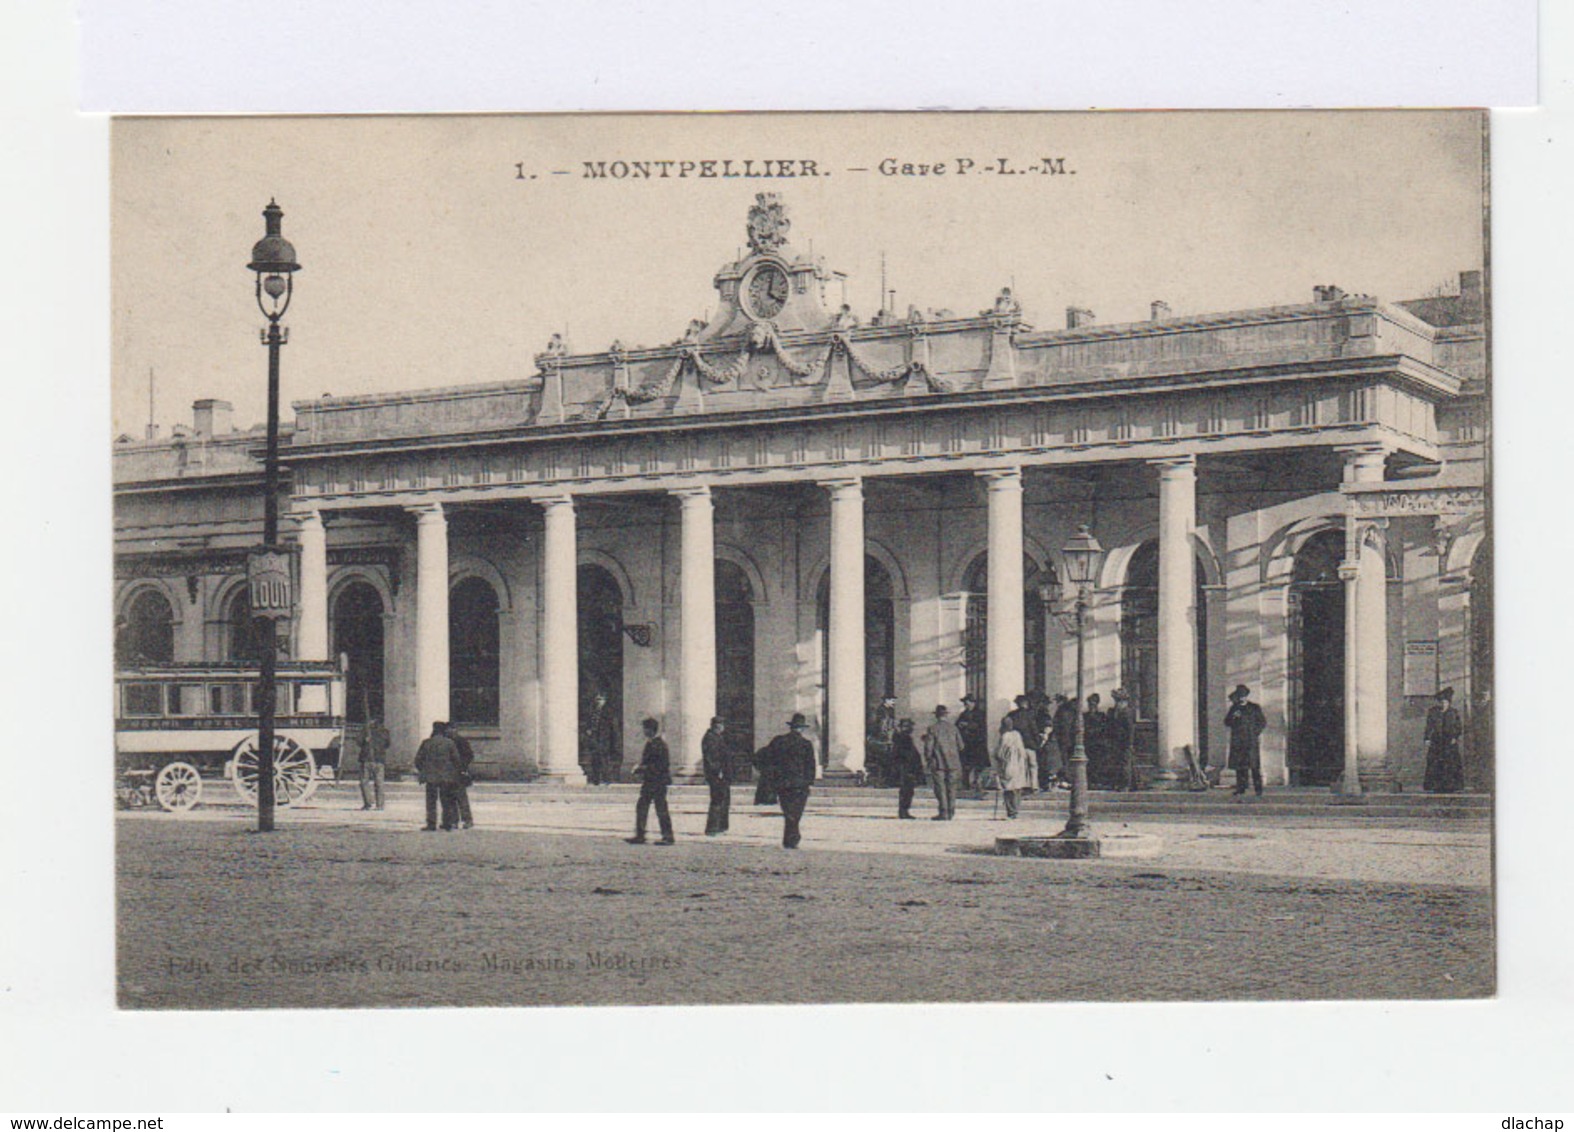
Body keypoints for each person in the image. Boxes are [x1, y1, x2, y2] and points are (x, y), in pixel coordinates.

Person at [756, 713, 818, 848]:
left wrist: (768, 774)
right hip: (800, 784)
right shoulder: (806, 744)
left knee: (788, 811)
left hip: (783, 782)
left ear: (791, 727)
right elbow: (810, 765)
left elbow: (762, 756)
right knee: (797, 812)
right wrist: (809, 781)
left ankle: (790, 838)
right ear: (802, 728)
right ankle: (792, 838)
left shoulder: (779, 741)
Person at [626, 717, 675, 844]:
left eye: (645, 729)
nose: (644, 731)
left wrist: (642, 768)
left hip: (658, 781)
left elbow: (661, 765)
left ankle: (668, 837)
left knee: (660, 809)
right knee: (643, 807)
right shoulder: (651, 743)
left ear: (650, 730)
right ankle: (641, 834)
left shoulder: (659, 745)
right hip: (650, 781)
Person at [413, 721, 462, 831]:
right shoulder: (449, 743)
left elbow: (418, 760)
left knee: (431, 802)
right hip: (446, 776)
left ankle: (431, 823)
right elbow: (456, 760)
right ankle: (447, 823)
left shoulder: (426, 743)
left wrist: (423, 770)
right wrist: (454, 772)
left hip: (431, 777)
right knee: (446, 801)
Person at [1224, 684, 1268, 800]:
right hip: (1238, 741)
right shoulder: (1234, 708)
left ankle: (1258, 789)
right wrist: (1233, 717)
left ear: (1246, 696)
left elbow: (1262, 722)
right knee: (1240, 766)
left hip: (1251, 741)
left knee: (1254, 766)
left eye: (1243, 696)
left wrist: (1254, 733)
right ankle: (1241, 787)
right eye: (1239, 696)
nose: (1241, 698)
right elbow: (1227, 722)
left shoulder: (1254, 707)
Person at [921, 704, 963, 820]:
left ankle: (943, 812)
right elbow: (961, 746)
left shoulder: (933, 728)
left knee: (940, 788)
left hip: (938, 762)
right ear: (946, 715)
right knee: (952, 787)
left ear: (936, 716)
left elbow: (928, 748)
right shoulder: (954, 728)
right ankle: (951, 811)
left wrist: (928, 759)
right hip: (953, 762)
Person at [1423, 686, 1464, 794]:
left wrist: (1455, 737)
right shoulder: (1433, 712)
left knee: (1450, 763)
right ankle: (1435, 786)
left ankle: (1451, 786)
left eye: (1445, 702)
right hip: (1436, 741)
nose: (1443, 704)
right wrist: (1427, 738)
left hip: (1449, 742)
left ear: (1449, 702)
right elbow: (1429, 726)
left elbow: (1458, 727)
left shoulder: (1453, 712)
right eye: (1441, 702)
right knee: (1436, 763)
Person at [991, 716, 1032, 819]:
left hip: (1009, 764)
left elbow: (1000, 753)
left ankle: (1011, 811)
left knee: (1008, 788)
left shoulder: (1005, 736)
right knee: (1017, 788)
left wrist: (996, 757)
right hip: (1019, 764)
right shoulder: (1017, 735)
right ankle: (1015, 810)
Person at [702, 716, 733, 835]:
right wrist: (718, 771)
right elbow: (712, 757)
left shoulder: (717, 737)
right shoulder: (710, 739)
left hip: (722, 775)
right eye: (721, 725)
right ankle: (713, 828)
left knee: (723, 800)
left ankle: (721, 826)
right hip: (717, 775)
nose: (722, 727)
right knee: (717, 801)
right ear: (716, 726)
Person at [444, 722, 476, 829]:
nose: (450, 731)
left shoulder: (461, 741)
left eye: (452, 728)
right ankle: (454, 820)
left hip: (458, 773)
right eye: (448, 729)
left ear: (455, 729)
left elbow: (469, 755)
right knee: (451, 798)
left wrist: (462, 766)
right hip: (449, 773)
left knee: (461, 798)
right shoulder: (446, 741)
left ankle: (467, 820)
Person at [582, 691, 618, 785]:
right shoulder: (593, 712)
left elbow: (613, 728)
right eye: (597, 699)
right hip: (594, 739)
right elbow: (589, 724)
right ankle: (596, 779)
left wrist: (613, 741)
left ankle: (606, 779)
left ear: (604, 700)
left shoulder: (608, 712)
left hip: (604, 740)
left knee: (604, 760)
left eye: (600, 699)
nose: (598, 702)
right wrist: (588, 730)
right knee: (595, 760)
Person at [890, 718, 923, 819]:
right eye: (908, 726)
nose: (911, 728)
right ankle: (904, 811)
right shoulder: (904, 738)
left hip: (905, 768)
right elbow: (908, 754)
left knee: (907, 791)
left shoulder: (901, 738)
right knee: (907, 791)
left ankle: (904, 811)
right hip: (906, 768)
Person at [1107, 688, 1138, 792]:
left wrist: (1130, 743)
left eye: (1119, 701)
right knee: (1122, 763)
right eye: (1116, 701)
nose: (1117, 704)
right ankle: (1131, 784)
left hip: (1125, 742)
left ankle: (1126, 785)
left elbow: (1130, 730)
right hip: (1117, 741)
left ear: (1125, 701)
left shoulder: (1127, 713)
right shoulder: (1115, 712)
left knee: (1125, 763)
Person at [956, 694, 987, 790]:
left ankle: (977, 783)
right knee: (966, 765)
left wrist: (967, 725)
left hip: (977, 743)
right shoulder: (963, 714)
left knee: (978, 765)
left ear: (973, 703)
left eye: (967, 702)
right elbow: (956, 725)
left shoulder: (980, 713)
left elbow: (980, 726)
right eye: (965, 703)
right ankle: (966, 783)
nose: (965, 704)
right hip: (966, 743)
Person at [359, 716, 390, 810]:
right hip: (379, 759)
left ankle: (368, 803)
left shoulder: (366, 731)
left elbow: (358, 742)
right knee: (379, 783)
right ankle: (380, 804)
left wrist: (365, 740)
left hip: (367, 759)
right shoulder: (384, 732)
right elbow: (387, 744)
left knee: (364, 782)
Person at [867, 695, 898, 787]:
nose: (894, 702)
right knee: (882, 761)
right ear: (886, 700)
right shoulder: (882, 711)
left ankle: (884, 781)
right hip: (883, 740)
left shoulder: (889, 710)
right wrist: (887, 736)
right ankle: (881, 782)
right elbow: (883, 725)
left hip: (886, 738)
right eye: (892, 700)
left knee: (886, 761)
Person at [1052, 693, 1078, 788]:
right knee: (1070, 760)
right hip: (1071, 739)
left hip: (1063, 739)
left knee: (1065, 760)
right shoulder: (1072, 711)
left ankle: (1067, 779)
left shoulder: (1061, 711)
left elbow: (1056, 725)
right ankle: (1069, 779)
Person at [1083, 693, 1107, 787]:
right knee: (1088, 763)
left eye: (1093, 704)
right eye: (1090, 704)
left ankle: (1097, 781)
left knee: (1098, 763)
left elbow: (1105, 728)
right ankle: (1090, 781)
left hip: (1098, 743)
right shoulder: (1084, 716)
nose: (1091, 706)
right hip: (1088, 743)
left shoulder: (1101, 716)